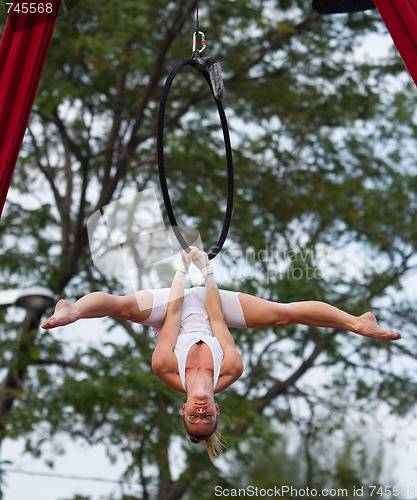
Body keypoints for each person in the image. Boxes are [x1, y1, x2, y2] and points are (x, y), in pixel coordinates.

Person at [42, 247, 401, 461]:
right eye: (207, 419)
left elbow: (171, 317)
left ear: (183, 409)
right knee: (283, 314)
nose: (200, 415)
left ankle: (73, 310)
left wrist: (183, 270)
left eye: (193, 419)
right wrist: (207, 270)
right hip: (215, 313)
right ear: (216, 410)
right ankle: (357, 322)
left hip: (173, 309)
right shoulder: (230, 370)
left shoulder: (165, 368)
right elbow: (216, 318)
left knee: (125, 308)